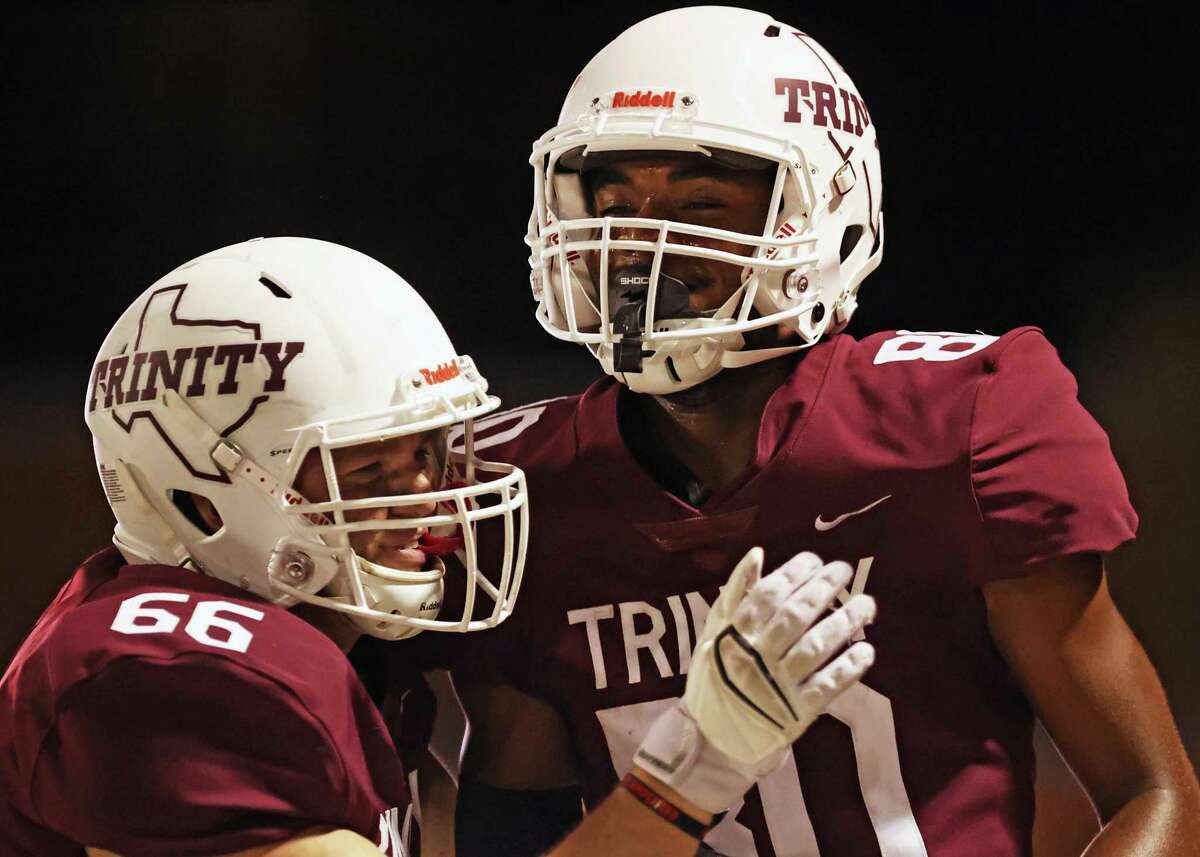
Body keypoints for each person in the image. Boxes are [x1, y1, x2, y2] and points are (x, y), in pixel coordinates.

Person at [450, 7, 1200, 857]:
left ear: (828, 216)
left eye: (699, 203)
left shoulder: (955, 425)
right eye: (616, 203)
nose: (639, 244)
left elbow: (1156, 791)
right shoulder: (523, 493)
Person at [0, 236, 876, 857]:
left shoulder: (330, 653)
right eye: (369, 469)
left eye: (426, 454)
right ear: (202, 493)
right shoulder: (167, 678)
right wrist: (692, 769)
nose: (432, 508)